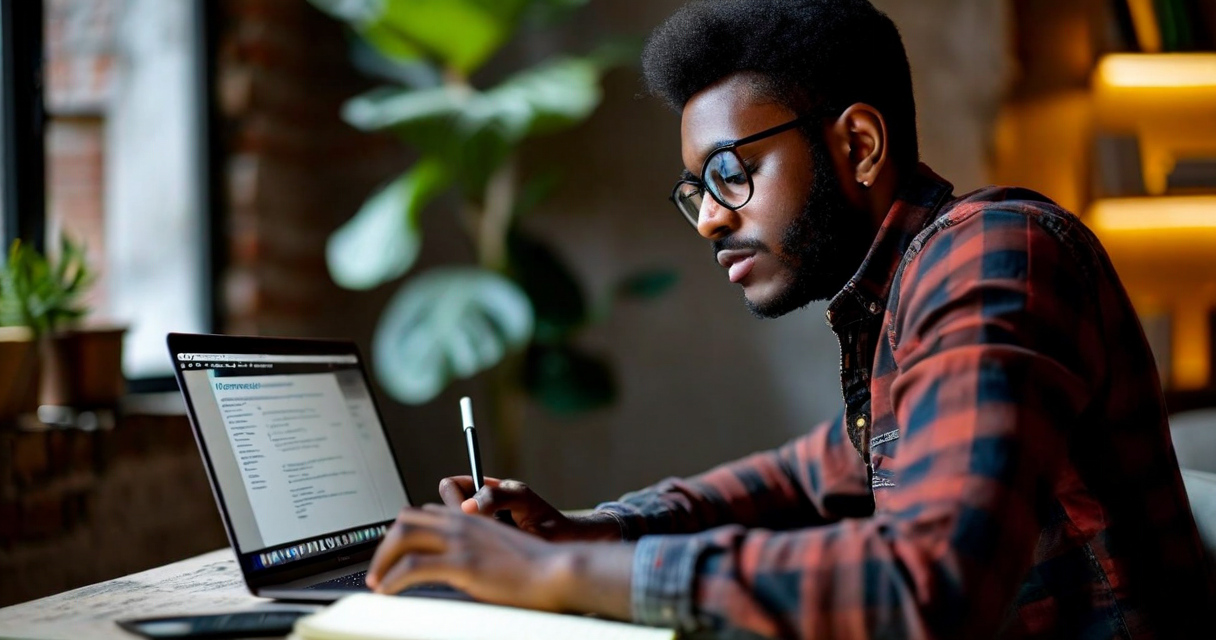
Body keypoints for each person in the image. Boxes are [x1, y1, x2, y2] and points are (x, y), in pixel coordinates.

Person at [364, 0, 1215, 637]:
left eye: (732, 171)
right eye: (696, 189)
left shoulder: (996, 256)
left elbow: (930, 579)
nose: (707, 218)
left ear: (858, 145)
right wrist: (594, 527)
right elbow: (802, 478)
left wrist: (566, 576)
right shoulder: (896, 301)